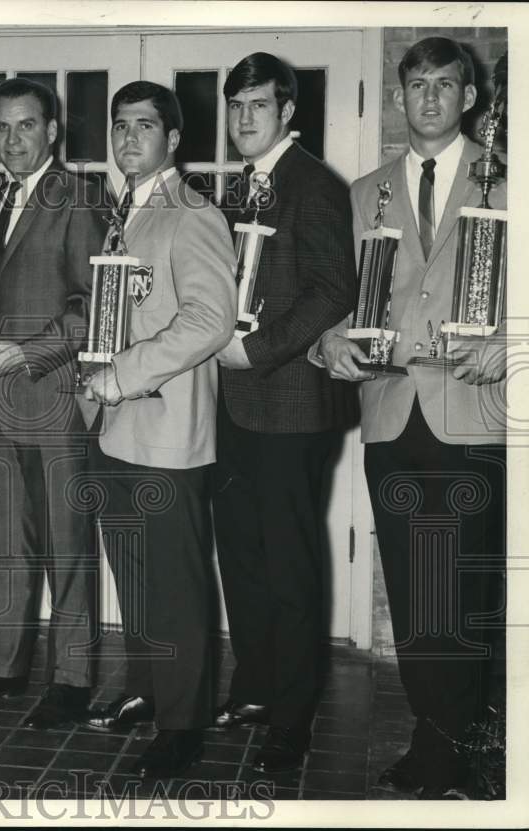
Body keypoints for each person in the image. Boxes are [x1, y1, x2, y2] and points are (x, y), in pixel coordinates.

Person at [314, 36, 506, 798]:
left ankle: (464, 736)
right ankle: (440, 735)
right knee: (418, 589)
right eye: (416, 85)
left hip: (475, 413)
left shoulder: (508, 185)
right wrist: (329, 340)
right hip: (393, 415)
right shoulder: (365, 193)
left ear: (470, 98)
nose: (429, 97)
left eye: (445, 85)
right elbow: (335, 304)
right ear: (400, 98)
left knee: (470, 589)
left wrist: (513, 339)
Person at [0, 77, 106, 729]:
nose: (12, 139)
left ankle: (71, 678)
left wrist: (26, 354)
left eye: (26, 126)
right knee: (3, 547)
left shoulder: (81, 199)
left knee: (68, 547)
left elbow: (96, 308)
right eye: (2, 128)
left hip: (57, 401)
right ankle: (4, 665)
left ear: (52, 132)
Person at [81, 81, 236, 779]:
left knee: (171, 582)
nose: (128, 138)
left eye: (144, 126)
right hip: (116, 429)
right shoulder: (129, 212)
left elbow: (210, 320)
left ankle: (184, 722)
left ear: (174, 140)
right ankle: (150, 685)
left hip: (166, 428)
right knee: (135, 574)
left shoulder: (192, 214)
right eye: (119, 126)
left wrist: (123, 373)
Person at [209, 53, 358, 773]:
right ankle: (257, 685)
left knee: (290, 563)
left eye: (259, 105)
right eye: (236, 105)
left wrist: (255, 351)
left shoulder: (314, 186)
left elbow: (333, 291)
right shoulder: (238, 188)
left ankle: (291, 720)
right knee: (241, 552)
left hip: (291, 404)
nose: (245, 117)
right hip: (232, 407)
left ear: (287, 113)